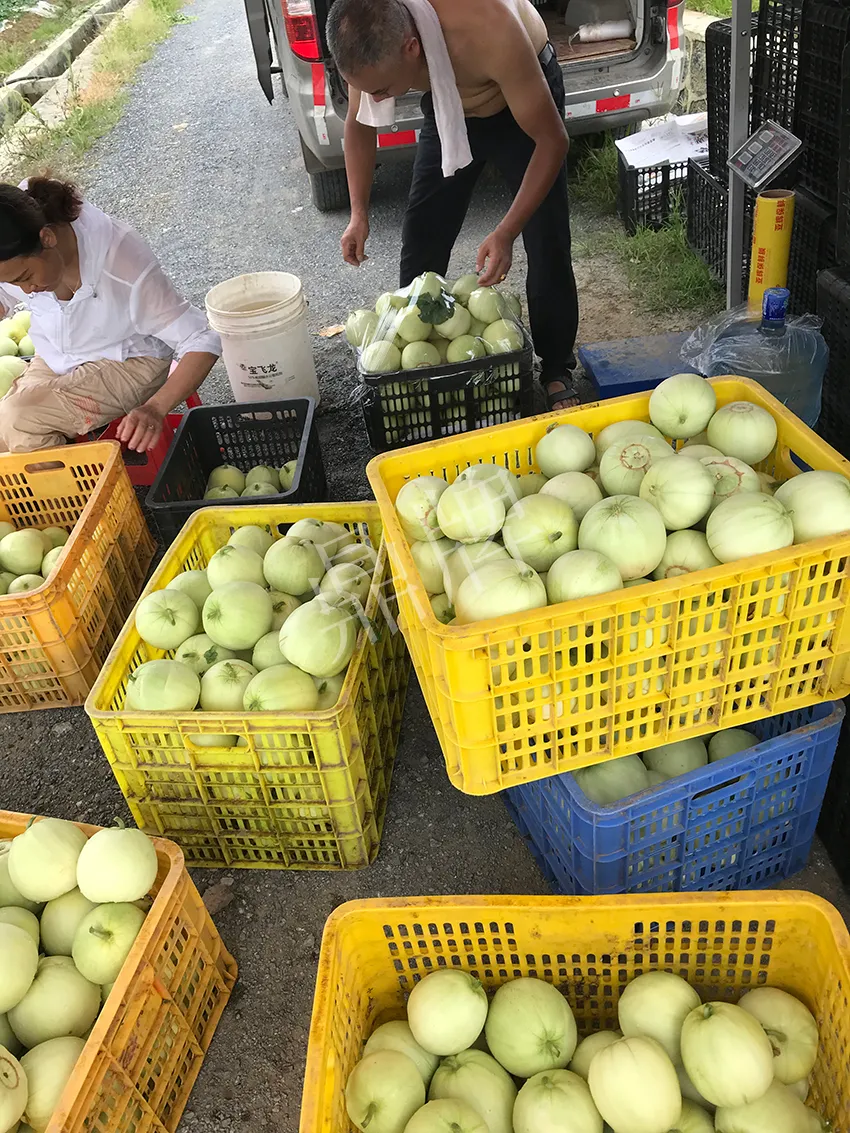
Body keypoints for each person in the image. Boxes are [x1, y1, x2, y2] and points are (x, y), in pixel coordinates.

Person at [327, 0, 580, 410]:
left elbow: (553, 142)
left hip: (517, 101)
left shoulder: (486, 25)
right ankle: (420, 369)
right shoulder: (367, 29)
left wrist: (506, 231)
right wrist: (359, 213)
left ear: (411, 47)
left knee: (546, 239)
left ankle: (555, 369)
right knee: (422, 235)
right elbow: (358, 122)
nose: (379, 99)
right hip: (451, 107)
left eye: (383, 90)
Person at [0, 177, 220, 454]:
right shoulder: (16, 223)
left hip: (131, 358)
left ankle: (73, 497)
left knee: (20, 421)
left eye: (26, 277)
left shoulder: (123, 264)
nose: (26, 291)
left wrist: (155, 407)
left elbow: (201, 340)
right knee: (4, 435)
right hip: (61, 350)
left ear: (47, 238)